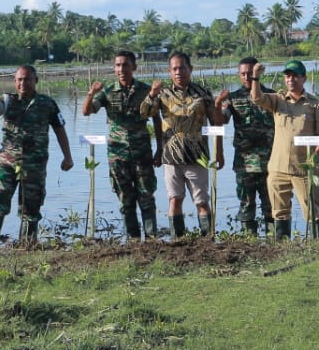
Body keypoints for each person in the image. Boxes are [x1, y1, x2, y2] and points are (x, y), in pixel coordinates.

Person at [0, 65, 73, 245]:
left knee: (31, 207)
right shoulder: (6, 100)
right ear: (15, 82)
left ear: (35, 81)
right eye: (19, 80)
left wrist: (67, 156)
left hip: (34, 164)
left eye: (27, 79)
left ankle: (27, 244)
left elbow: (60, 129)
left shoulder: (47, 103)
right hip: (7, 162)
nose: (23, 83)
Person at [140, 52, 224, 237]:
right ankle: (178, 239)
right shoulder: (162, 94)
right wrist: (151, 94)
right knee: (174, 199)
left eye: (182, 68)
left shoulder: (202, 93)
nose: (179, 72)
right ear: (169, 71)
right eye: (175, 69)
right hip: (171, 157)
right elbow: (144, 113)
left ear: (190, 69)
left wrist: (219, 152)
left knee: (201, 201)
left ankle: (207, 239)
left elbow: (216, 123)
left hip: (197, 156)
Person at [82, 50, 160, 240]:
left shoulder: (146, 90)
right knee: (125, 198)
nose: (121, 69)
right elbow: (87, 111)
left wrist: (161, 148)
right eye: (117, 65)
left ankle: (152, 238)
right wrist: (91, 94)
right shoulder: (108, 92)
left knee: (146, 195)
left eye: (125, 65)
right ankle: (133, 239)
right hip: (117, 154)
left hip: (142, 151)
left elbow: (156, 119)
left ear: (134, 67)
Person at [249, 59, 319, 240]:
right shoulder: (277, 100)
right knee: (279, 212)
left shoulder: (314, 104)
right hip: (278, 168)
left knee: (311, 210)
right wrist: (255, 76)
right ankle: (282, 249)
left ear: (304, 78)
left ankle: (316, 247)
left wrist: (315, 156)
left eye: (295, 76)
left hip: (304, 169)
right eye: (288, 76)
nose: (291, 79)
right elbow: (256, 98)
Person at [216, 57, 275, 236]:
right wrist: (218, 103)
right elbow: (221, 120)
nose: (247, 77)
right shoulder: (233, 98)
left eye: (250, 73)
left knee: (271, 204)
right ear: (239, 75)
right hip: (244, 162)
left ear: (258, 73)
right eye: (243, 74)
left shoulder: (272, 96)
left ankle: (275, 243)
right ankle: (250, 242)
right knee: (246, 204)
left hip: (270, 161)